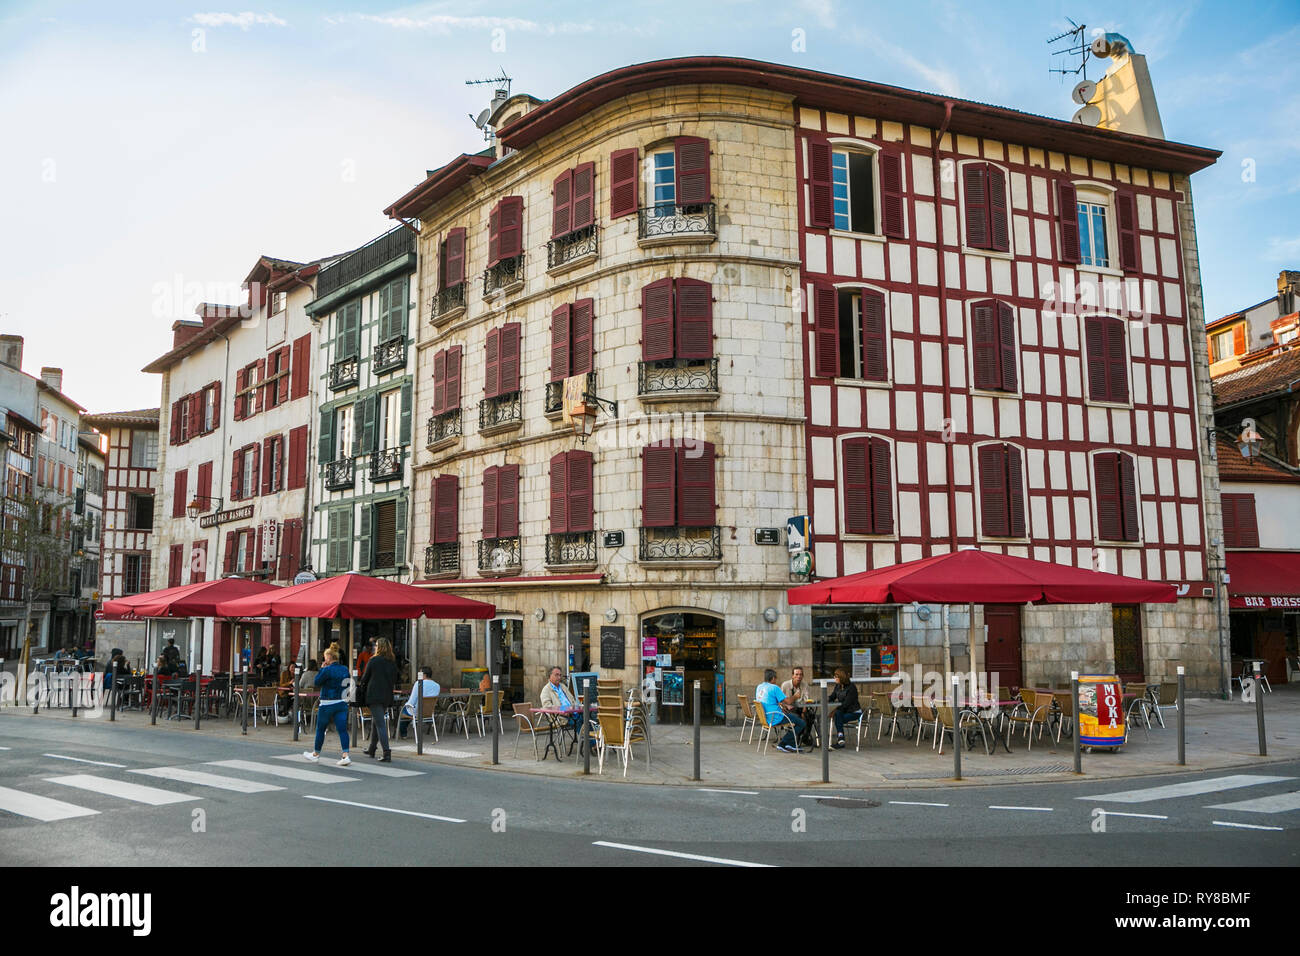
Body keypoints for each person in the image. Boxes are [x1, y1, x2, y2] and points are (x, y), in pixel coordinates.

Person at [303, 643, 351, 766]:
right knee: (342, 730)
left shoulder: (327, 670)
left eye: (325, 657)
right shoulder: (345, 669)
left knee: (321, 729)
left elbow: (317, 681)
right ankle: (345, 755)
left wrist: (323, 669)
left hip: (327, 703)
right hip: (341, 702)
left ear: (329, 657)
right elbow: (348, 684)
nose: (324, 660)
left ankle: (316, 754)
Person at [356, 637, 397, 762]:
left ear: (379, 647)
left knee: (380, 724)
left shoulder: (373, 660)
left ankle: (386, 752)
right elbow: (395, 678)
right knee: (376, 721)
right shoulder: (392, 662)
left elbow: (365, 677)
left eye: (376, 645)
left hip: (374, 695)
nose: (374, 647)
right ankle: (372, 748)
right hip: (386, 696)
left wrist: (361, 685)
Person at [755, 668, 804, 752]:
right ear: (773, 678)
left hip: (765, 717)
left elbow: (771, 701)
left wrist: (782, 707)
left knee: (793, 718)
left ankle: (790, 744)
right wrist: (796, 696)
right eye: (776, 678)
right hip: (775, 717)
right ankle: (783, 744)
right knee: (801, 723)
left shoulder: (759, 687)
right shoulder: (774, 688)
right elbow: (788, 701)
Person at [540, 666, 587, 748]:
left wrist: (577, 707)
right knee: (580, 722)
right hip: (561, 717)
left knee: (589, 718)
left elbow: (572, 700)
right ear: (550, 676)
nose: (559, 677)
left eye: (560, 675)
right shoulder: (546, 690)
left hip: (573, 713)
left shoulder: (563, 686)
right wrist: (564, 711)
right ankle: (591, 744)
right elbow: (547, 707)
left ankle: (593, 742)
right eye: (556, 675)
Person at [399, 667, 441, 738]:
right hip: (429, 712)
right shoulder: (437, 686)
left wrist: (406, 705)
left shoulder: (418, 683)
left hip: (416, 711)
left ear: (424, 675)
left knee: (404, 711)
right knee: (408, 711)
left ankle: (403, 734)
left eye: (420, 673)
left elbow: (412, 700)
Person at [829, 668, 862, 750]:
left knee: (837, 716)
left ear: (841, 678)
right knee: (838, 715)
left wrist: (834, 711)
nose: (834, 678)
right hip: (843, 712)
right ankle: (841, 739)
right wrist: (825, 699)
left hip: (854, 712)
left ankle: (841, 739)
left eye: (836, 676)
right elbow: (832, 696)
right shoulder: (838, 686)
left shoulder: (851, 688)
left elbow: (846, 704)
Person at [781, 666, 812, 745]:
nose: (799, 677)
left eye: (801, 674)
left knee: (810, 715)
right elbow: (780, 701)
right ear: (792, 675)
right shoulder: (785, 685)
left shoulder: (804, 685)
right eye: (796, 674)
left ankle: (805, 736)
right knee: (797, 717)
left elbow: (806, 700)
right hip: (788, 709)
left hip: (800, 708)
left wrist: (804, 711)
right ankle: (795, 738)